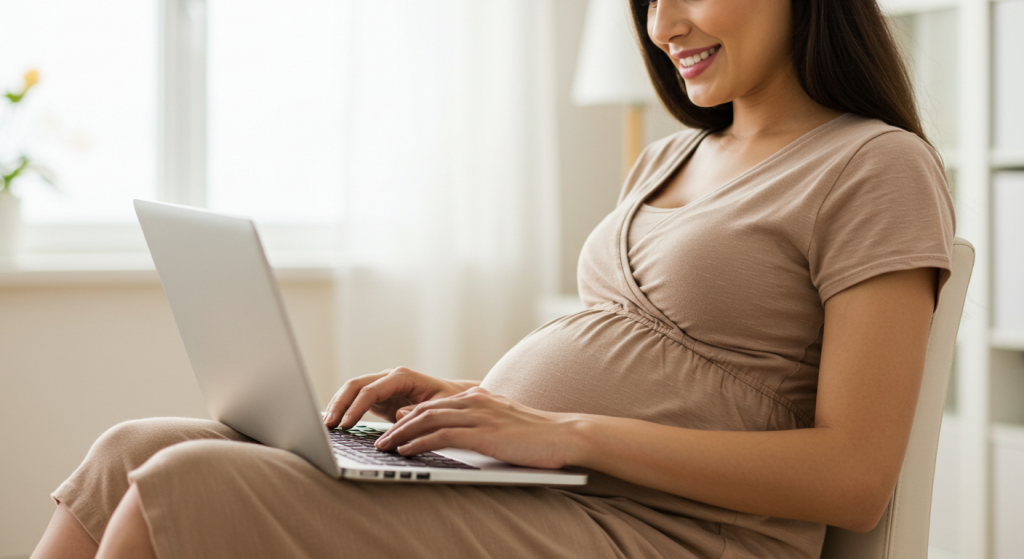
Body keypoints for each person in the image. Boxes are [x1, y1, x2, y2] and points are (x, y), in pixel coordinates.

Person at [31, 0, 955, 557]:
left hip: (669, 532)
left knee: (189, 482)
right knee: (129, 449)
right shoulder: (671, 157)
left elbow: (856, 475)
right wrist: (476, 406)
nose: (662, 24)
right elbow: (642, 363)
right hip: (553, 494)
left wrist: (557, 431)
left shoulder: (874, 166)